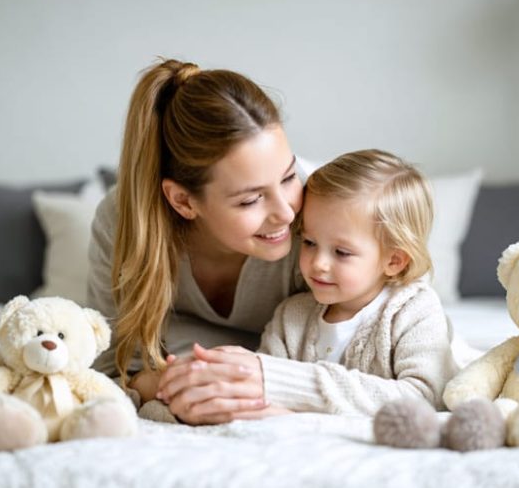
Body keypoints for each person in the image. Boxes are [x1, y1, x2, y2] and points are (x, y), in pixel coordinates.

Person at [159, 149, 458, 418]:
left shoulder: (414, 310)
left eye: (342, 252)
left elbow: (425, 398)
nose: (318, 263)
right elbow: (262, 391)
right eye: (311, 242)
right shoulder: (292, 316)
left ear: (394, 261)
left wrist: (289, 386)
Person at [87, 58, 307, 424]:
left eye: (288, 177)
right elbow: (108, 368)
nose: (285, 212)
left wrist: (264, 386)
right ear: (183, 201)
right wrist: (177, 383)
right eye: (251, 199)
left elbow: (391, 356)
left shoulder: (323, 219)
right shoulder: (123, 221)